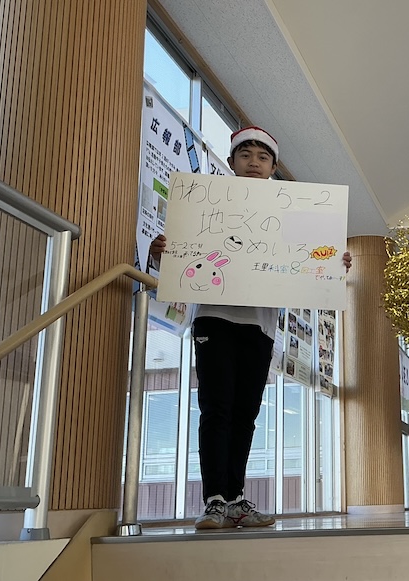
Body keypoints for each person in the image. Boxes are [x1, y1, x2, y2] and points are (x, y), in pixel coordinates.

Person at [150, 126, 352, 529]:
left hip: (260, 325)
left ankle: (236, 498)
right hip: (214, 318)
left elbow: (309, 262)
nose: (254, 162)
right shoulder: (204, 205)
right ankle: (215, 500)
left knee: (245, 413)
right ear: (231, 162)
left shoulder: (290, 214)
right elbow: (179, 260)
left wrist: (333, 264)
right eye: (246, 155)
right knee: (216, 407)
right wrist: (163, 255)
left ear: (274, 167)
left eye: (262, 157)